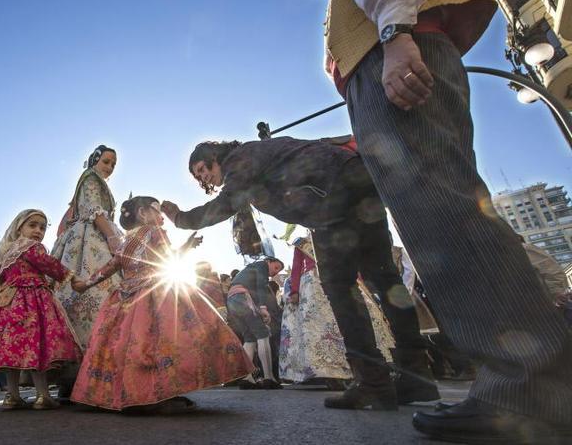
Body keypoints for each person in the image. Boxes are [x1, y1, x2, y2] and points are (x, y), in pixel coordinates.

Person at [294, 0, 572, 440]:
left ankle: (527, 385)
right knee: (437, 215)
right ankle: (525, 380)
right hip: (388, 56)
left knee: (444, 218)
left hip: (394, 53)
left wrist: (394, 37)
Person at [161, 138, 437, 410]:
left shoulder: (239, 160)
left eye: (203, 168)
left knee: (340, 287)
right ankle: (416, 374)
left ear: (215, 156)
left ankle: (372, 381)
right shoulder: (262, 152)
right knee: (385, 278)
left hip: (331, 197)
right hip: (358, 183)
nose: (205, 177)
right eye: (199, 176)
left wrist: (181, 219)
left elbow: (226, 204)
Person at [70, 196, 252, 412]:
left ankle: (133, 394)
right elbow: (169, 258)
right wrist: (188, 246)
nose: (161, 216)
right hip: (156, 293)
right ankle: (160, 395)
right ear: (142, 214)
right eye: (157, 211)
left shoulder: (124, 242)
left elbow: (109, 267)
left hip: (126, 298)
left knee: (131, 349)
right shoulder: (155, 232)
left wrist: (84, 284)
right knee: (167, 342)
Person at [0, 210, 80, 410]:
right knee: (35, 345)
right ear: (19, 228)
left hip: (5, 303)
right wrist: (72, 277)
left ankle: (12, 395)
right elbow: (48, 264)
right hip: (31, 299)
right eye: (32, 225)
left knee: (10, 349)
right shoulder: (33, 247)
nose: (38, 231)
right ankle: (42, 395)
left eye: (42, 227)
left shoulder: (8, 254)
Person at [51, 145, 124, 398]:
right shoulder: (91, 178)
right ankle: (88, 374)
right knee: (95, 297)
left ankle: (79, 376)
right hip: (90, 239)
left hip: (87, 236)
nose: (110, 167)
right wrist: (113, 237)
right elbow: (94, 210)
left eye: (113, 164)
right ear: (95, 161)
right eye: (106, 161)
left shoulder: (94, 181)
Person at [279, 237, 393, 387]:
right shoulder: (302, 242)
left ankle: (358, 368)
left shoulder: (336, 236)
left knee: (345, 323)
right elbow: (297, 266)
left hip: (338, 279)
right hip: (313, 284)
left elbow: (351, 262)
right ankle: (328, 371)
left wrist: (359, 283)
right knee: (317, 328)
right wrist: (294, 290)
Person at [226, 258, 283, 390]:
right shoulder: (261, 265)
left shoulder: (248, 270)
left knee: (249, 338)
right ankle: (269, 378)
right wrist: (263, 308)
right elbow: (261, 286)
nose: (275, 273)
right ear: (269, 261)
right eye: (276, 267)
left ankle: (248, 378)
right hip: (242, 297)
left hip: (232, 299)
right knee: (263, 334)